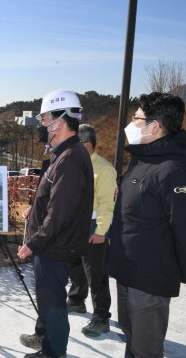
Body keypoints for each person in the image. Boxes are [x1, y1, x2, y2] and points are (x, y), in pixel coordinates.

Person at [108, 92, 186, 358]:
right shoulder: (142, 159)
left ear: (154, 127)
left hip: (150, 277)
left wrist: (175, 273)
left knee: (147, 351)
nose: (132, 123)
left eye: (136, 118)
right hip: (128, 270)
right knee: (132, 339)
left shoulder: (174, 169)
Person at [17, 89, 94, 358]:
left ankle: (54, 352)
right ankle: (43, 335)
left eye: (45, 118)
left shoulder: (71, 158)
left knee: (53, 300)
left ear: (60, 121)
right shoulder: (63, 154)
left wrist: (33, 242)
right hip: (54, 242)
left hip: (55, 244)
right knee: (46, 294)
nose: (42, 125)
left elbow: (60, 213)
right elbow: (52, 198)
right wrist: (34, 209)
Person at [66, 124, 117, 337]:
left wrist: (101, 231)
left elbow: (107, 203)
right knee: (76, 267)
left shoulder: (104, 169)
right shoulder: (74, 163)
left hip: (93, 225)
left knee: (96, 272)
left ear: (86, 145)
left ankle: (101, 316)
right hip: (75, 225)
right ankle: (77, 301)